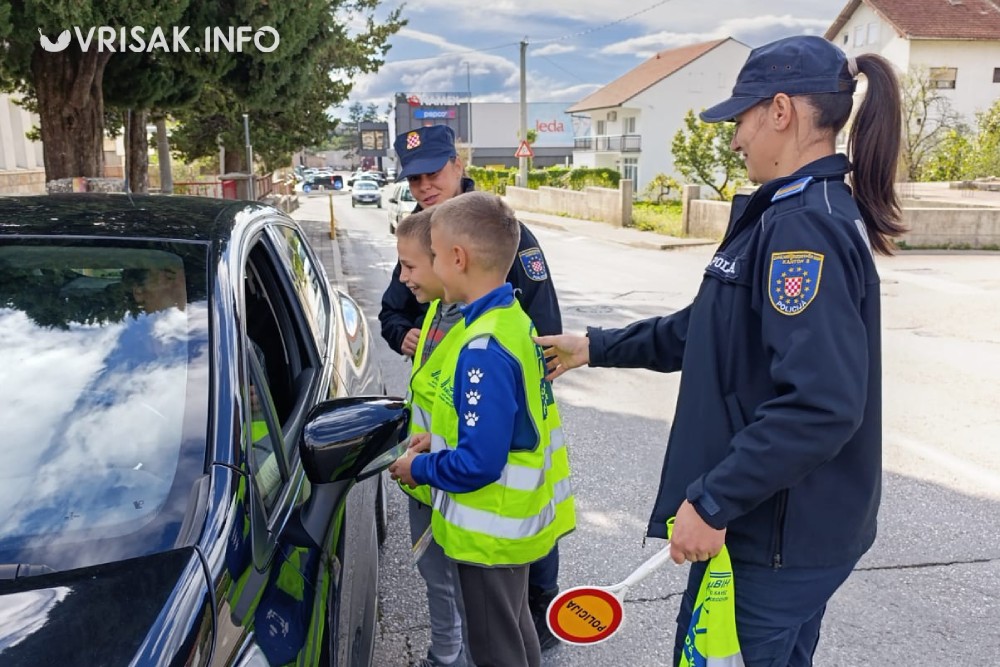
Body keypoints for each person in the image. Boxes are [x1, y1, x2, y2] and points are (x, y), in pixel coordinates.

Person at [535, 35, 905, 667]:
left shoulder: (800, 227)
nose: (734, 138)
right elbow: (708, 329)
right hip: (774, 528)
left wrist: (713, 499)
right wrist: (594, 346)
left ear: (781, 111)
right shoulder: (790, 212)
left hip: (774, 535)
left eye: (741, 117)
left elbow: (820, 405)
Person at [379, 123, 565, 650]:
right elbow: (394, 310)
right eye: (413, 178)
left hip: (493, 501)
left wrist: (429, 462)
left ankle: (536, 614)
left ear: (458, 166)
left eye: (432, 172)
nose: (423, 186)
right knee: (506, 628)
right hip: (459, 452)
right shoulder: (425, 234)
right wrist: (403, 333)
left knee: (508, 621)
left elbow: (540, 337)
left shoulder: (499, 239)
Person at [394, 208, 472, 667]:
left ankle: (456, 657)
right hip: (428, 476)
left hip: (451, 479)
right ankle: (443, 654)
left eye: (410, 266)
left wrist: (425, 464)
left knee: (460, 584)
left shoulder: (472, 329)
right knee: (434, 572)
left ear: (447, 261)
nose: (402, 277)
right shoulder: (436, 313)